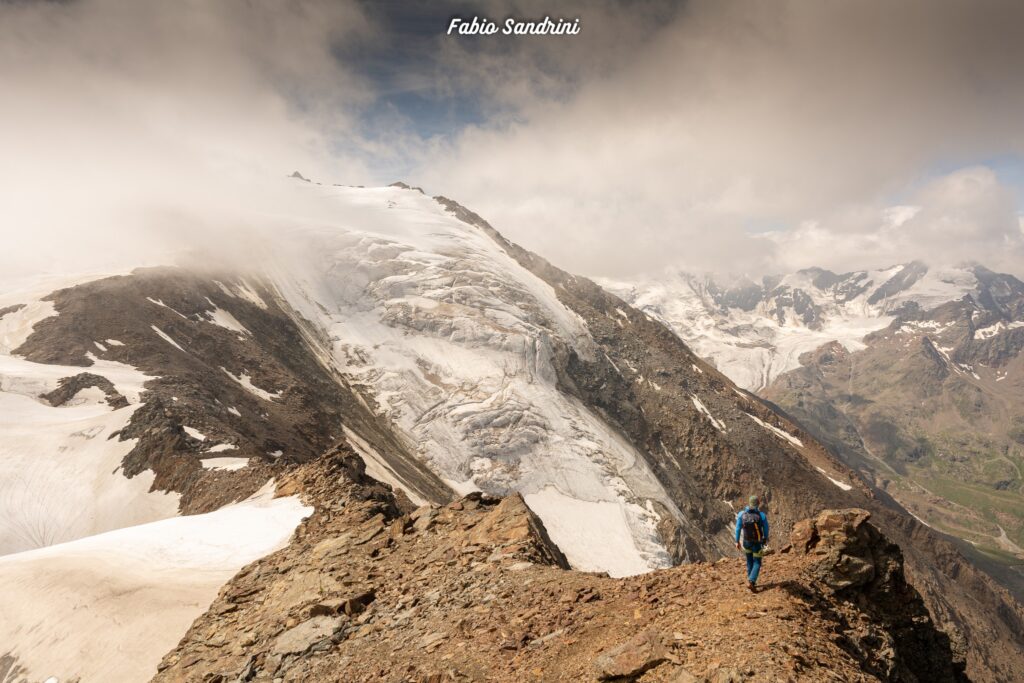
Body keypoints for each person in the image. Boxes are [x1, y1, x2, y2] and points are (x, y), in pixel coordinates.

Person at [734, 495, 769, 592]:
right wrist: (765, 538)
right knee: (757, 561)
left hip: (746, 542)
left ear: (749, 503)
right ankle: (751, 581)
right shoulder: (761, 515)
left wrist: (737, 541)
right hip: (757, 543)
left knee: (749, 560)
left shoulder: (742, 514)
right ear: (758, 503)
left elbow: (737, 529)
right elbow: (766, 529)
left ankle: (750, 581)